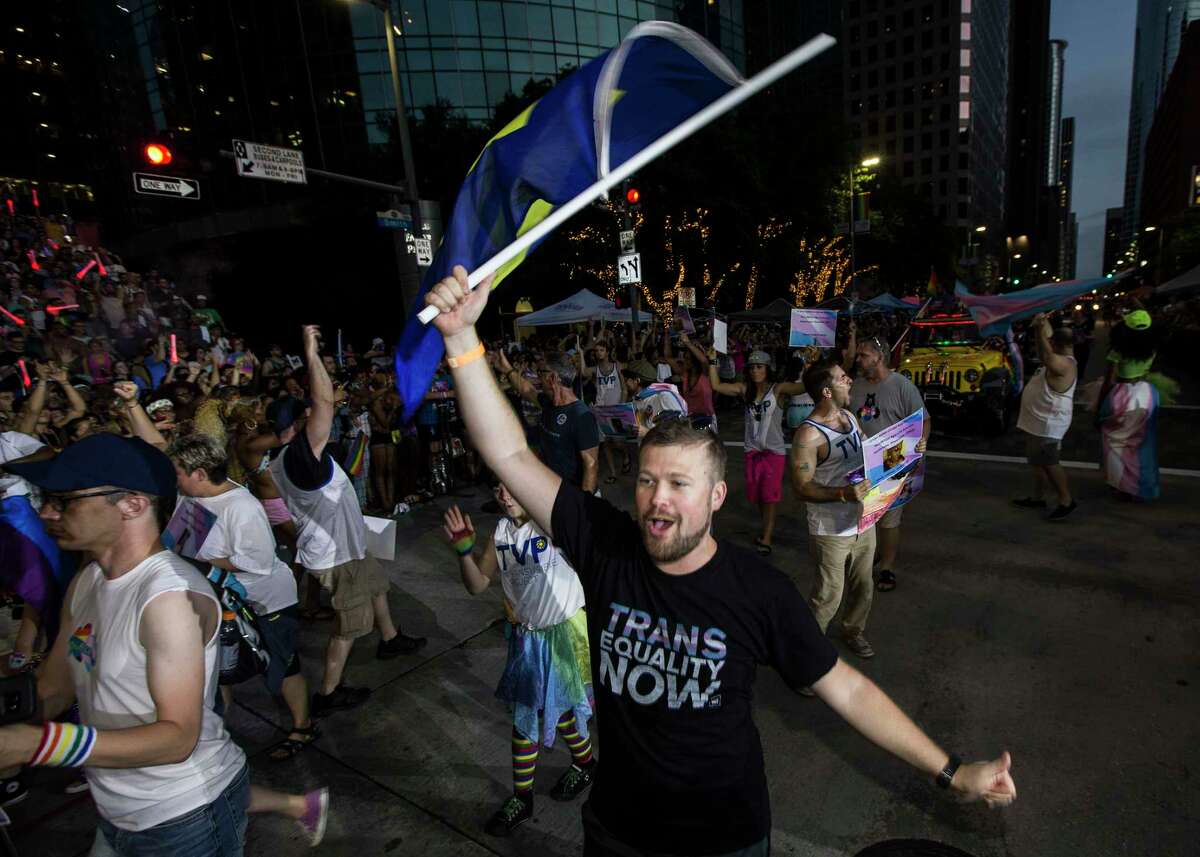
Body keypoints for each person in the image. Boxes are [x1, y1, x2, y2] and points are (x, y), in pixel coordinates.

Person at [422, 266, 1016, 857]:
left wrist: (952, 771)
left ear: (716, 497)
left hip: (723, 840)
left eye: (680, 483)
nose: (658, 497)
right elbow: (507, 452)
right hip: (617, 830)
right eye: (649, 480)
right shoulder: (607, 546)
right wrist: (460, 340)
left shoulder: (758, 590)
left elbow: (849, 691)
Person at [0, 434, 326, 853]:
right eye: (47, 497)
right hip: (117, 807)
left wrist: (35, 743)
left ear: (133, 504)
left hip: (182, 815)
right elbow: (56, 686)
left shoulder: (168, 598)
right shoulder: (87, 581)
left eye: (64, 500)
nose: (46, 512)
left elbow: (176, 738)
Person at [268, 326, 426, 717]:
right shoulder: (302, 459)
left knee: (376, 586)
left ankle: (390, 638)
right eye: (308, 417)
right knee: (351, 625)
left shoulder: (284, 459)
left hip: (347, 545)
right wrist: (311, 351)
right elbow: (324, 400)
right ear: (299, 423)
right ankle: (328, 692)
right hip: (337, 556)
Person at [155, 431, 318, 762]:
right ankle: (214, 732)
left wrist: (196, 561)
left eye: (177, 472)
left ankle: (303, 725)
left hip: (264, 602)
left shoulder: (241, 507)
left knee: (282, 666)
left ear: (199, 474)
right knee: (217, 668)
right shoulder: (192, 497)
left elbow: (256, 562)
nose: (173, 479)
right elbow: (178, 538)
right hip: (218, 599)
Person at [442, 486, 596, 836]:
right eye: (496, 486)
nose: (503, 493)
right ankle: (584, 765)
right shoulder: (500, 533)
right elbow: (478, 585)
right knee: (553, 710)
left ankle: (525, 796)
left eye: (510, 485)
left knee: (534, 716)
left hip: (564, 635)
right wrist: (464, 553)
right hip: (527, 640)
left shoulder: (549, 525)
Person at [790, 359, 878, 662]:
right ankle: (806, 659)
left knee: (863, 586)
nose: (850, 380)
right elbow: (801, 487)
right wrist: (843, 493)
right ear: (827, 391)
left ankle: (852, 630)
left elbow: (869, 454)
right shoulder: (808, 435)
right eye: (843, 378)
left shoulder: (849, 418)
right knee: (828, 597)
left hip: (864, 520)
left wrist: (905, 450)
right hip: (831, 530)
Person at [848, 334, 930, 591]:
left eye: (863, 355)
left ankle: (886, 567)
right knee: (864, 516)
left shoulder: (902, 386)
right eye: (858, 354)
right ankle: (867, 558)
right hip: (862, 464)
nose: (858, 359)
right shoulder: (856, 386)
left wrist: (920, 446)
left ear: (879, 357)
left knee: (889, 520)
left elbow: (923, 420)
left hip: (894, 463)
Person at [706, 347, 806, 555]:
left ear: (768, 369)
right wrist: (713, 361)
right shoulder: (745, 390)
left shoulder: (778, 389)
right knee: (760, 496)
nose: (755, 371)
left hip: (773, 453)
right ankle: (766, 528)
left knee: (769, 497)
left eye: (759, 367)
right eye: (751, 367)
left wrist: (810, 364)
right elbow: (716, 385)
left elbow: (805, 387)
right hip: (752, 453)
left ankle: (767, 537)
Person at [499, 350, 600, 494]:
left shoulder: (581, 416)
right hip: (554, 490)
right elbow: (527, 390)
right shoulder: (549, 403)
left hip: (575, 495)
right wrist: (507, 369)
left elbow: (591, 464)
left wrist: (582, 506)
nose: (538, 376)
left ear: (553, 377)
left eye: (540, 372)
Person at [1012, 314, 1077, 520]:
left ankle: (1066, 500)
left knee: (1050, 462)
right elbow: (1047, 338)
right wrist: (1040, 318)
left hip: (1048, 425)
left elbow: (1046, 357)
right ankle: (1038, 497)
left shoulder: (1065, 364)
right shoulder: (1059, 354)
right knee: (1037, 461)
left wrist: (1038, 330)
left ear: (1056, 344)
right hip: (1036, 422)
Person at [1096, 308, 1161, 501]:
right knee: (1142, 443)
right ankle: (1142, 484)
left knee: (1114, 444)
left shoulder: (1118, 351)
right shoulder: (1152, 348)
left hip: (1122, 395)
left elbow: (1108, 381)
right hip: (1147, 394)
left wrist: (1099, 407)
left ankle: (1122, 486)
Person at [578, 338, 629, 484]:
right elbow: (583, 372)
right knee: (605, 443)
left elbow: (625, 388)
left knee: (618, 442)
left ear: (607, 352)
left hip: (616, 410)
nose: (598, 353)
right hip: (601, 410)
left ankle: (626, 455)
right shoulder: (595, 369)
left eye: (601, 350)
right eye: (596, 351)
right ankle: (613, 473)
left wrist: (622, 406)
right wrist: (581, 353)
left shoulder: (616, 366)